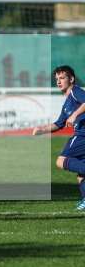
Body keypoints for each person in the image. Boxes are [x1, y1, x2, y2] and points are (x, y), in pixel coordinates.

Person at [33, 65, 85, 211]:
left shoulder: (75, 92)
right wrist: (42, 130)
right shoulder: (67, 103)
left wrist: (74, 115)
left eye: (62, 78)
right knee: (81, 174)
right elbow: (59, 124)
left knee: (61, 161)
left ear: (71, 79)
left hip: (82, 135)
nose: (58, 81)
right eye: (57, 79)